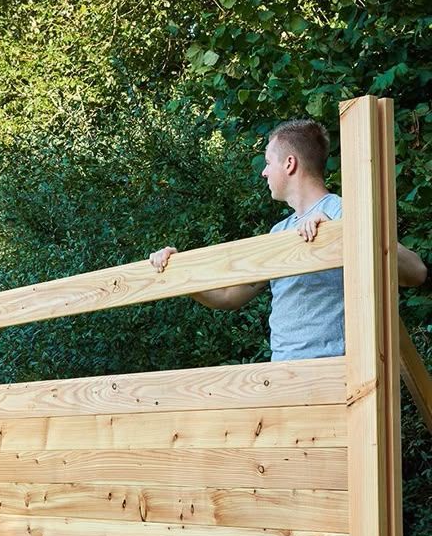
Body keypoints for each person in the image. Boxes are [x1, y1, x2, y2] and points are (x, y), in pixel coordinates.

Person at [150, 118, 427, 359]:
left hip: (336, 373)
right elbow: (228, 296)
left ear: (290, 163)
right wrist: (177, 272)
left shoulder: (344, 212)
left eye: (269, 162)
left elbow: (416, 272)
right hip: (284, 375)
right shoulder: (278, 232)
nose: (264, 171)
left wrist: (339, 234)